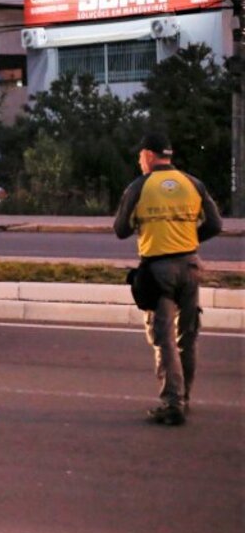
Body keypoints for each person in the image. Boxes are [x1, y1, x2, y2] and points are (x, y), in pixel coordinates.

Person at [113, 132, 222, 426]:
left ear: (148, 155)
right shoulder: (192, 183)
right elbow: (215, 224)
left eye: (140, 156)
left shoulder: (140, 186)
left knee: (164, 340)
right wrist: (188, 238)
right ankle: (184, 397)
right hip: (190, 265)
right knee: (188, 336)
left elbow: (121, 229)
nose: (139, 161)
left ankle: (172, 403)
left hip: (158, 271)